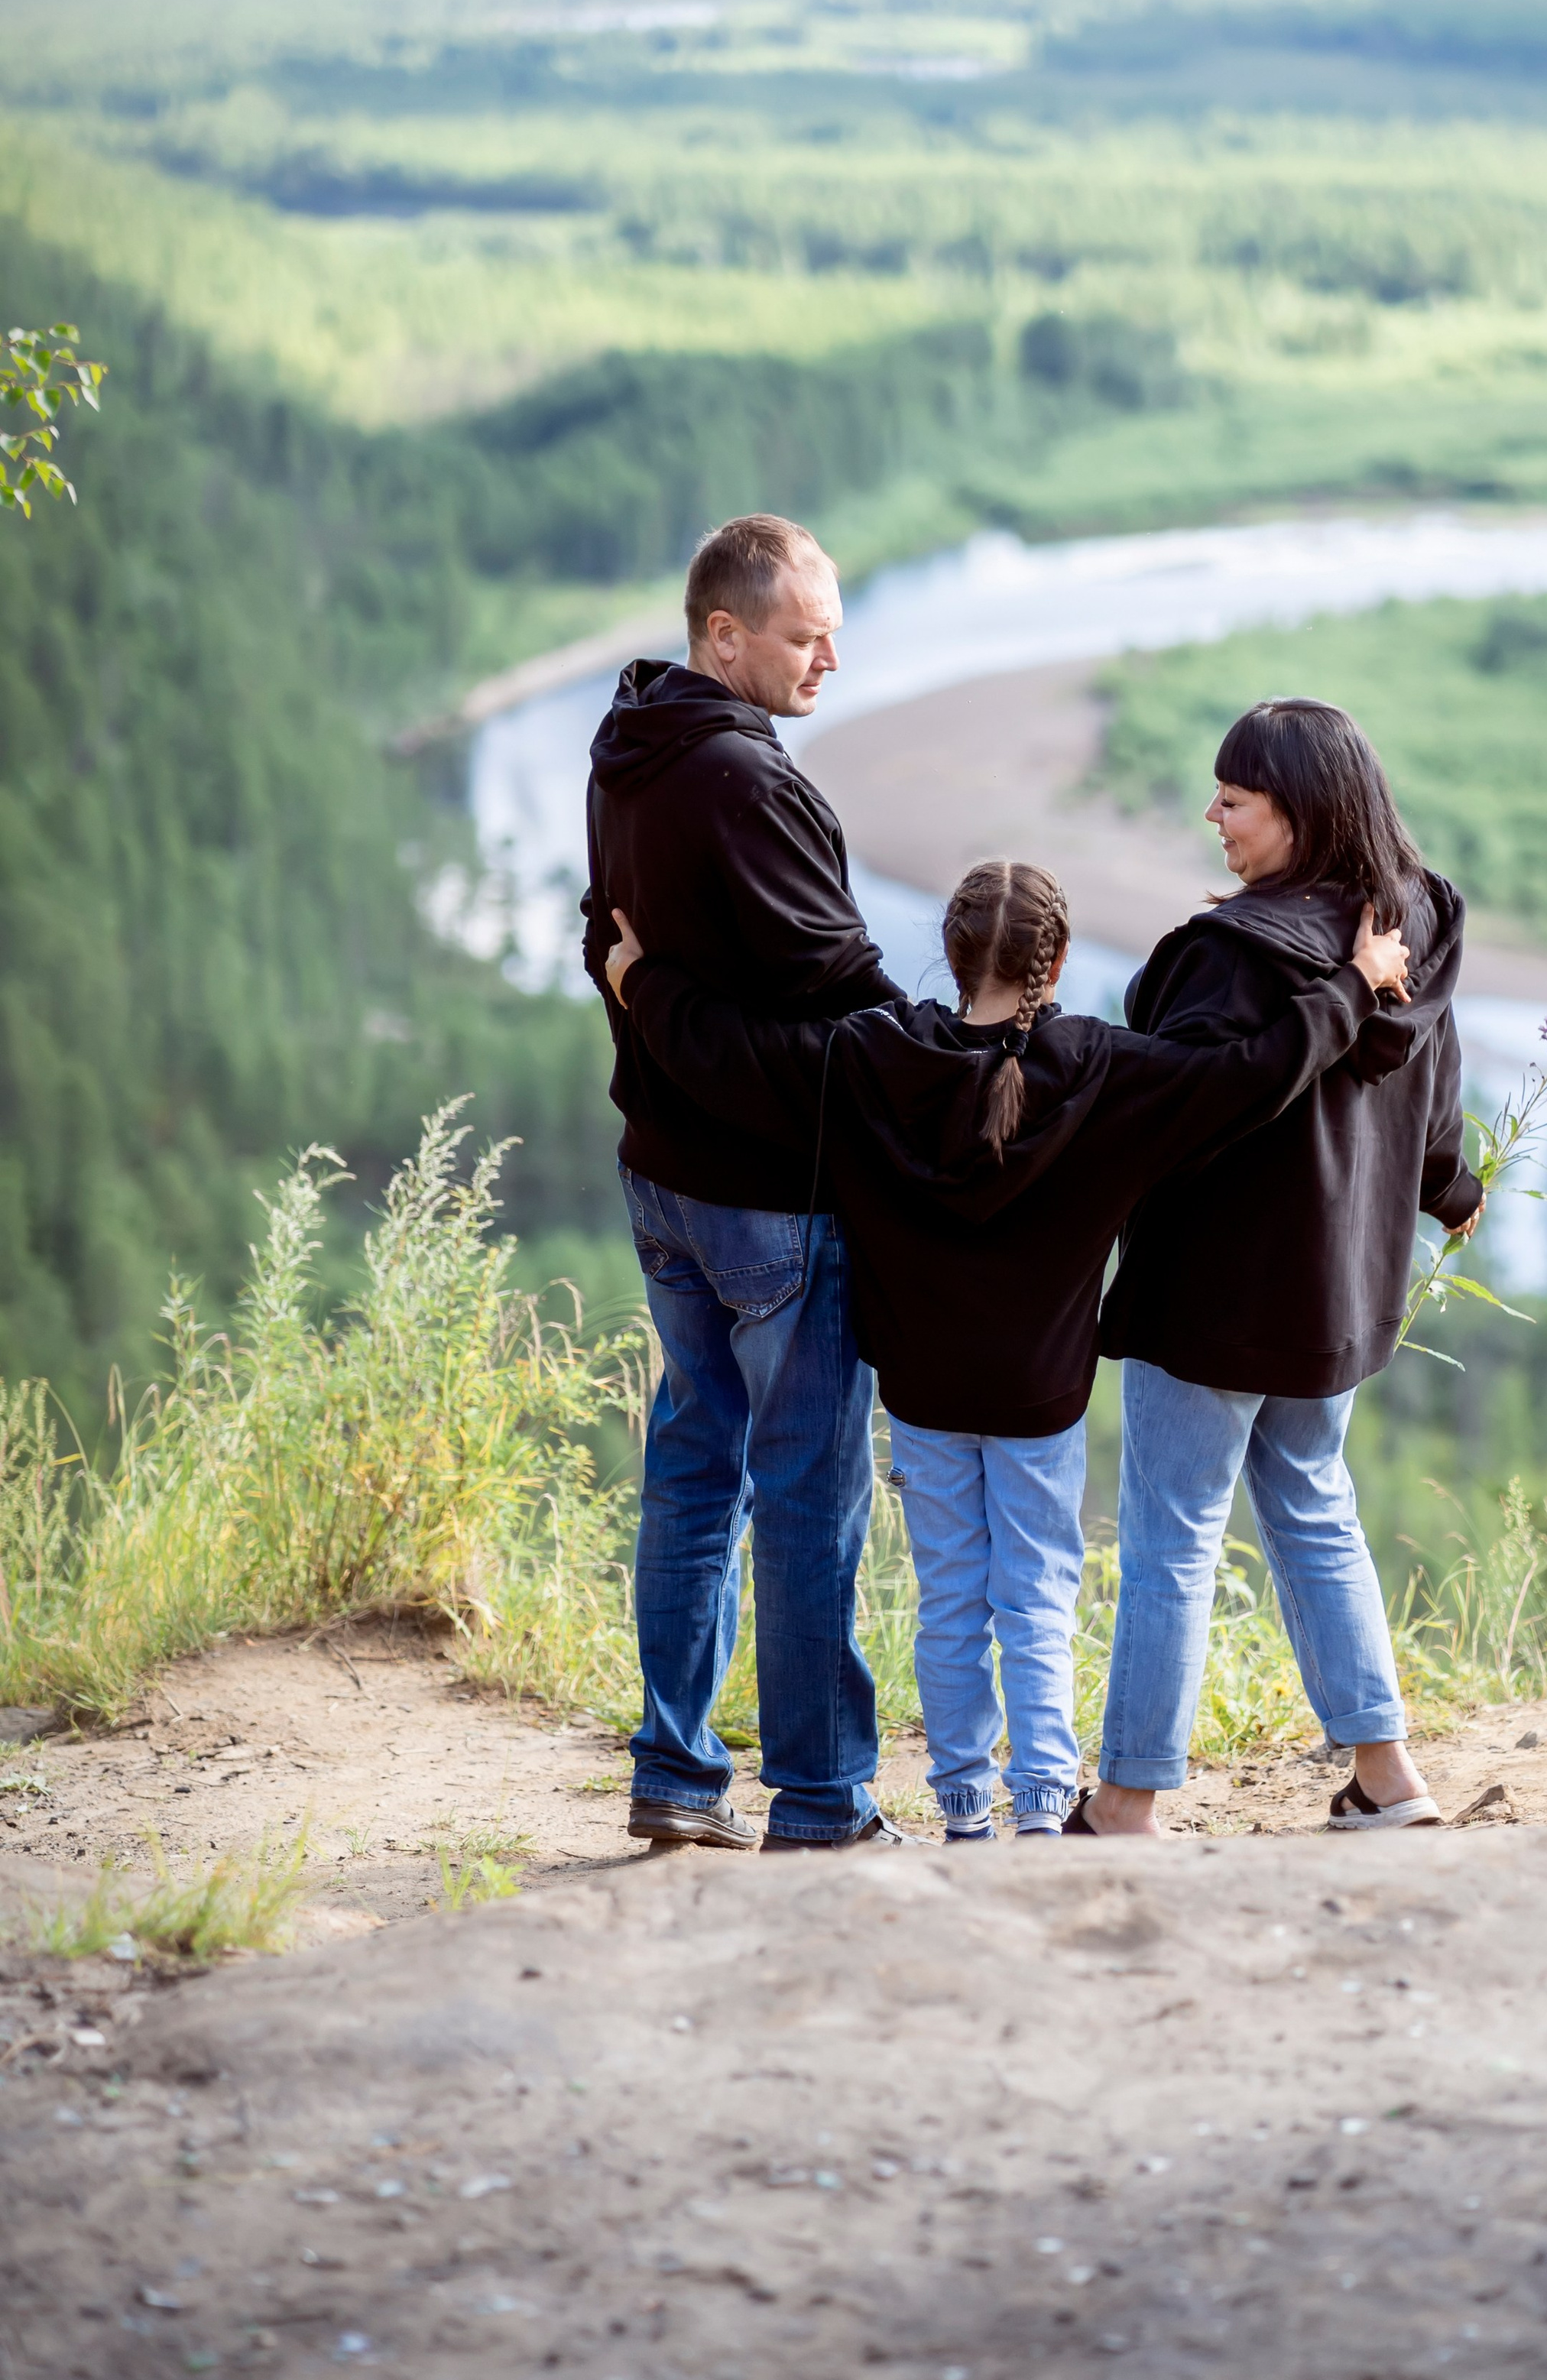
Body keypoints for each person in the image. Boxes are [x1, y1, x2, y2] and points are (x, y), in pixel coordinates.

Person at [608, 858, 1411, 1843]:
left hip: (923, 1391)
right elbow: (1246, 1078)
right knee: (1036, 1595)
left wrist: (641, 982)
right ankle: (1040, 1808)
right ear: (1061, 959)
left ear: (948, 955)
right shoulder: (1105, 1069)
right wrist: (1353, 983)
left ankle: (961, 1815)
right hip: (1042, 1399)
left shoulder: (872, 1055)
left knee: (950, 1598)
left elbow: (738, 1056)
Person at [1088, 697, 1485, 1838]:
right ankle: (1389, 1779)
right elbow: (1437, 1083)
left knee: (1173, 1535)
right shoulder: (1416, 918)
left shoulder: (1233, 955)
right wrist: (1447, 1188)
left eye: (1235, 798)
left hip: (1212, 1298)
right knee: (1314, 1508)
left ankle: (1124, 1805)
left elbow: (1177, 1104)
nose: (1212, 813)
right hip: (1336, 1300)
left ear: (1300, 812)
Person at [581, 513, 903, 1855]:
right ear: (725, 633)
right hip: (777, 1203)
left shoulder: (629, 747)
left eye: (833, 625)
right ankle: (822, 1802)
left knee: (695, 1469)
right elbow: (853, 1006)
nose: (831, 654)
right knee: (809, 1486)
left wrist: (650, 992)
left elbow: (607, 942)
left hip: (665, 1185)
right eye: (803, 633)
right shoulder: (747, 785)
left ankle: (675, 1772)